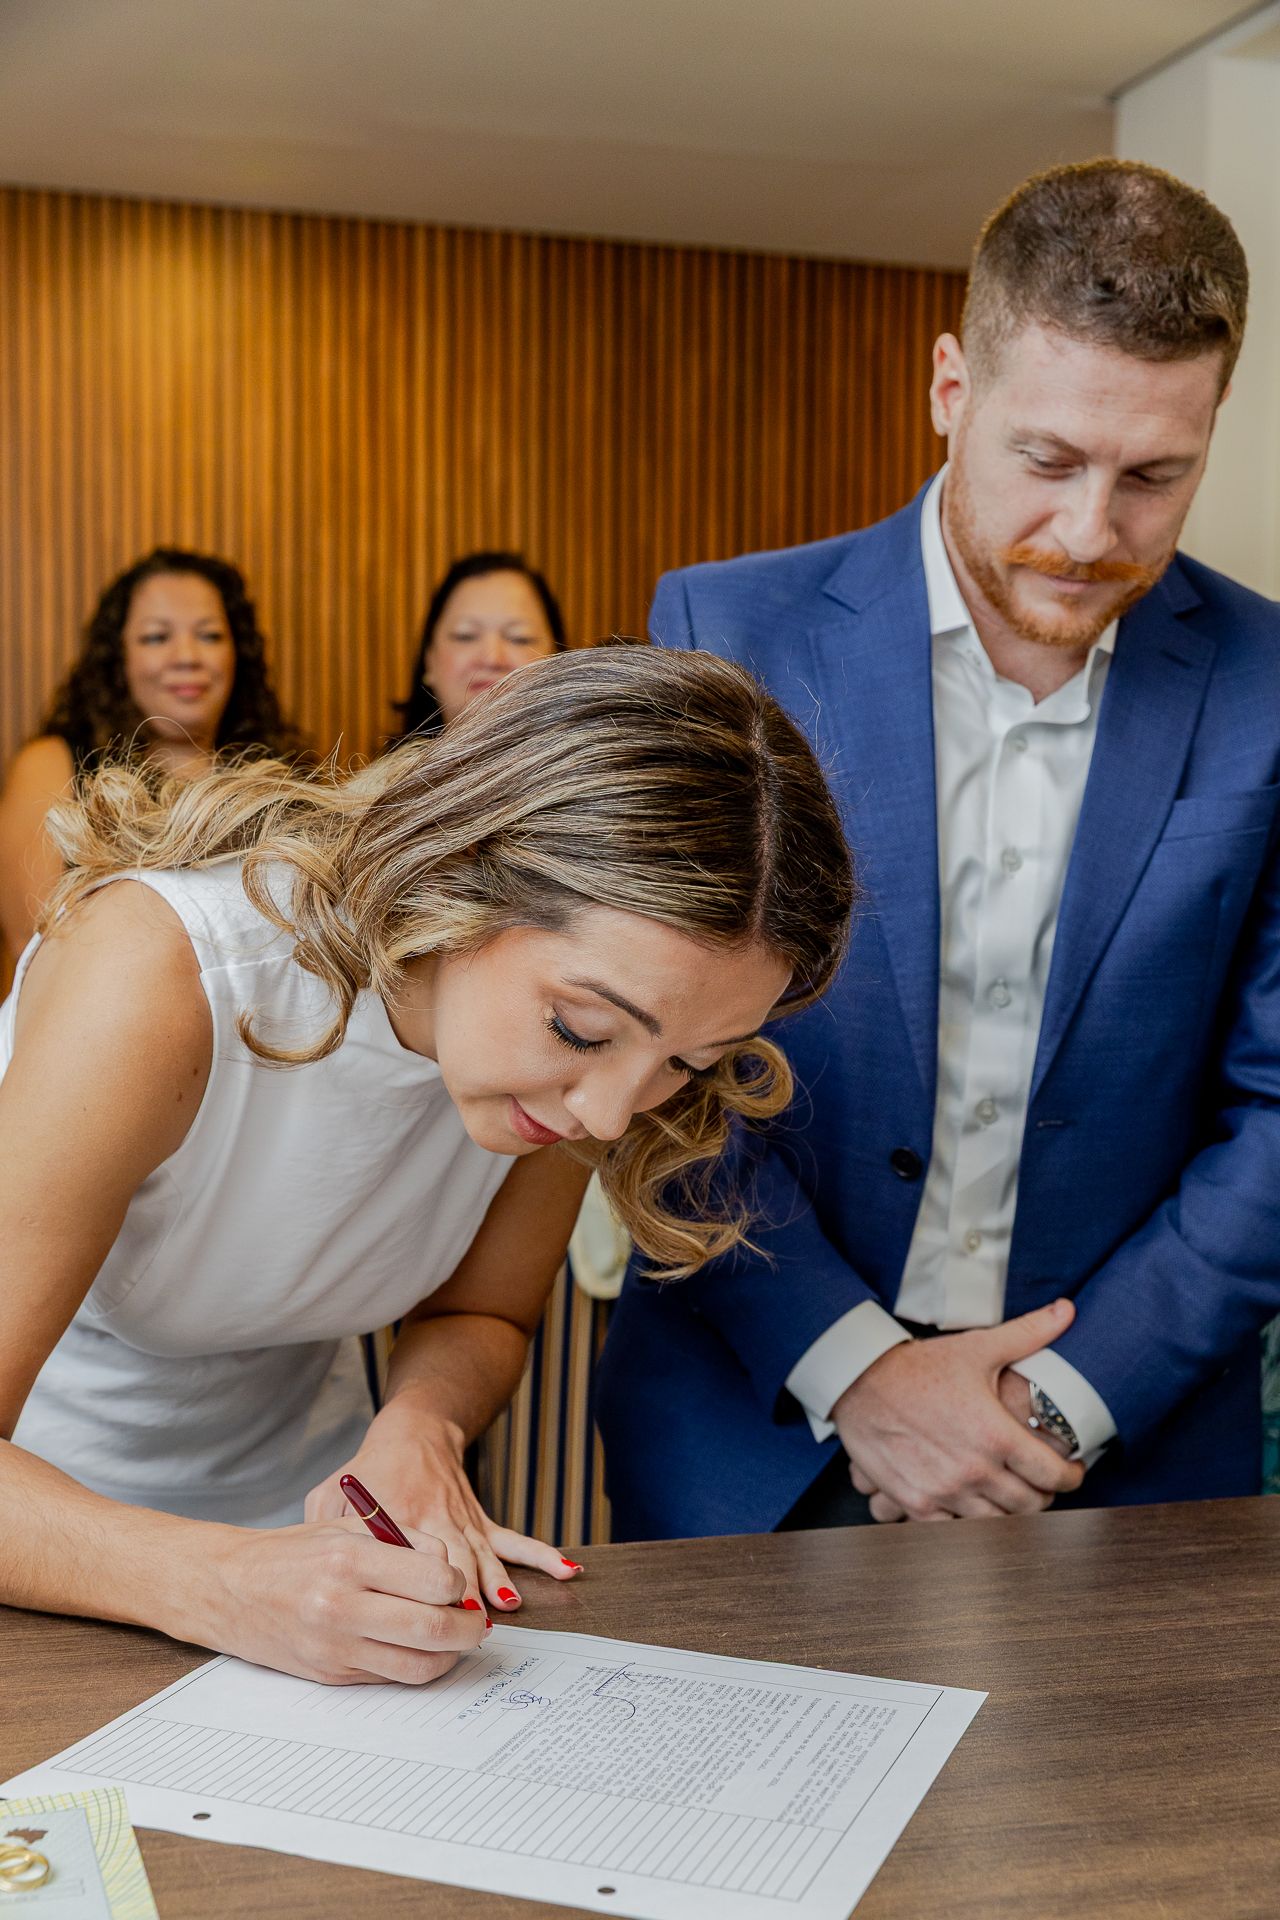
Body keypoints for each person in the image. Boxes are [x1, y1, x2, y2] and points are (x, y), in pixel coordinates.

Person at [598, 158, 1280, 1539]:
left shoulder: (1273, 685)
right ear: (951, 390)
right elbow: (659, 1063)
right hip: (755, 1430)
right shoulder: (727, 635)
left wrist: (1061, 1398)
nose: (1093, 534)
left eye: (1156, 475)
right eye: (1049, 460)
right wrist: (861, 1372)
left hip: (1117, 1456)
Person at [0, 646, 852, 1686]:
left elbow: (478, 1318)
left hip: (305, 1542)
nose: (607, 1111)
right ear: (455, 871)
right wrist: (221, 1584)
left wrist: (420, 1427)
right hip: (50, 1545)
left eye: (686, 1062)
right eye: (579, 1028)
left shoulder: (581, 1084)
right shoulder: (163, 970)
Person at [0, 548, 307, 958]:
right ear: (119, 659)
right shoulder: (53, 765)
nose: (186, 657)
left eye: (210, 635)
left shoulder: (276, 776)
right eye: (157, 637)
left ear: (238, 655)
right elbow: (30, 945)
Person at [391, 550, 565, 740]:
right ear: (428, 660)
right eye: (465, 636)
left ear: (558, 658)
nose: (492, 659)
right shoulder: (391, 770)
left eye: (519, 638)